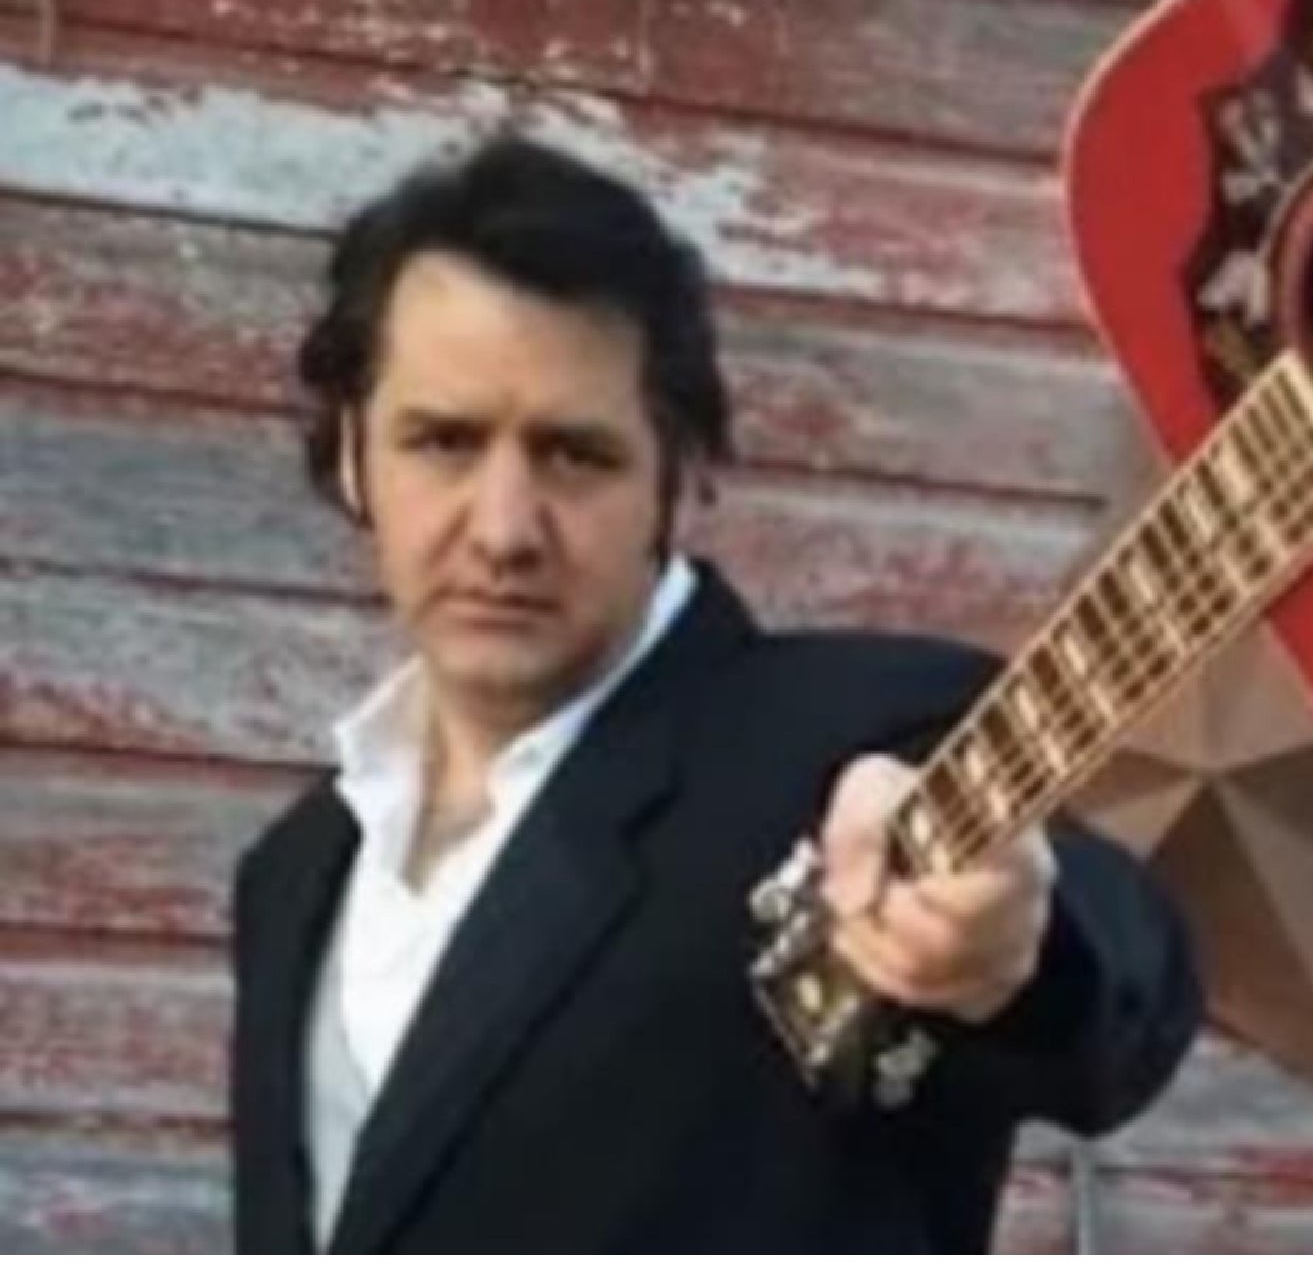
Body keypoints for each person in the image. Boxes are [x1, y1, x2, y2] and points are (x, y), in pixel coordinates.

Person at [228, 134, 1202, 1252]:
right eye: (442, 442)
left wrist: (1016, 940)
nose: (502, 530)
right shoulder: (293, 870)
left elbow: (1119, 966)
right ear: (353, 455)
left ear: (679, 474)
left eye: (574, 455)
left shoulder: (855, 744)